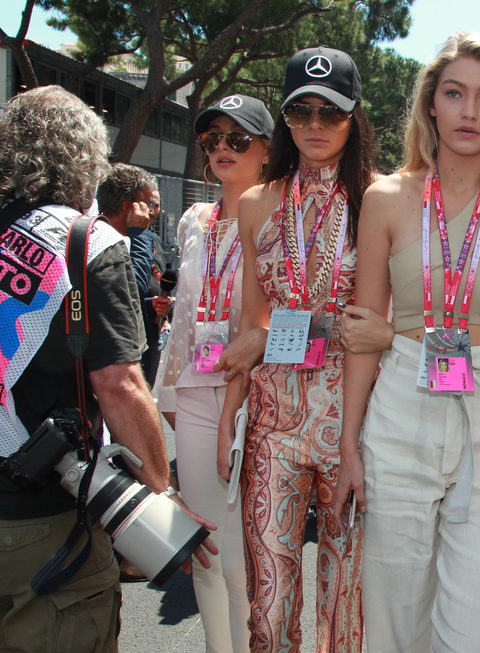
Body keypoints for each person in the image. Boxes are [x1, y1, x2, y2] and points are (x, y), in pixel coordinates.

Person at [335, 32, 480, 652]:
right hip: (400, 409)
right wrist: (349, 444)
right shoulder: (385, 198)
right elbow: (362, 331)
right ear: (430, 103)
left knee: (473, 623)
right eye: (455, 94)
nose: (469, 112)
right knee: (394, 613)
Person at [0, 86, 215, 652]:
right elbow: (119, 384)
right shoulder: (85, 243)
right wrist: (157, 499)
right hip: (40, 517)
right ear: (87, 162)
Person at [215, 47, 390, 652]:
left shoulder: (381, 199)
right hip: (273, 419)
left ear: (354, 118)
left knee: (347, 598)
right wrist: (228, 416)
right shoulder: (258, 202)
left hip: (355, 416)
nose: (315, 125)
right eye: (300, 112)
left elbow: (388, 315)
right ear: (285, 120)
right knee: (268, 599)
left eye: (331, 113)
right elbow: (250, 319)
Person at [155, 93, 274, 652]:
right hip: (198, 397)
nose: (223, 149)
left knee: (241, 563)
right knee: (204, 550)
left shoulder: (282, 219)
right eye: (212, 140)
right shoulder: (193, 220)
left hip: (263, 399)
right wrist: (170, 395)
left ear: (268, 152)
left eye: (238, 139)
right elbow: (182, 316)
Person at [96, 164, 169, 385]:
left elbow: (148, 286)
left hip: (148, 337)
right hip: (116, 356)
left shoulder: (149, 239)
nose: (155, 211)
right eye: (151, 204)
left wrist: (159, 308)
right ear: (129, 206)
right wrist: (138, 234)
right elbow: (129, 291)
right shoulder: (101, 239)